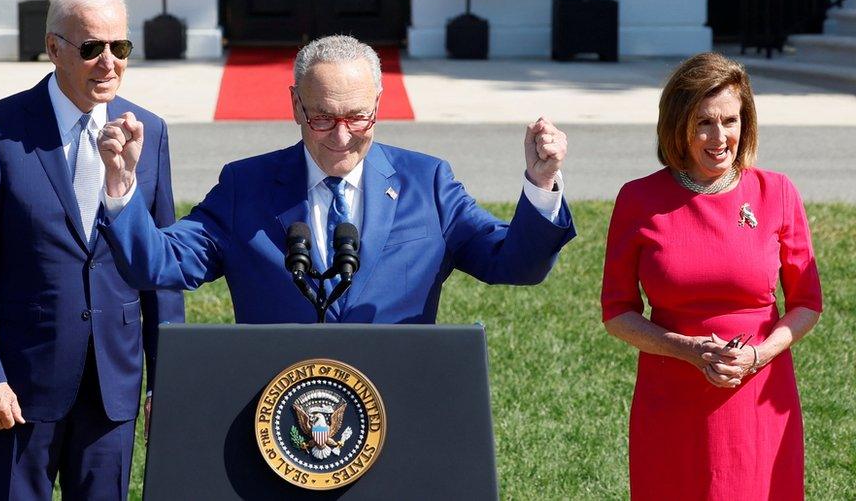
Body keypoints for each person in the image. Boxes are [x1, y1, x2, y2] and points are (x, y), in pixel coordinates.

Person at [97, 34, 576, 325]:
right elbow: (157, 265)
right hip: (277, 415)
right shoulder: (247, 186)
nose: (341, 137)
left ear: (379, 107)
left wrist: (540, 184)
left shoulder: (427, 182)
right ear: (294, 106)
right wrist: (121, 186)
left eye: (358, 118)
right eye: (322, 118)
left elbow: (516, 264)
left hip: (394, 404)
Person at [0, 0, 184, 499]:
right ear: (54, 49)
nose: (109, 63)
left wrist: (168, 380)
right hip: (19, 385)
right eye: (93, 48)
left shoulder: (151, 132)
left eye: (120, 48)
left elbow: (159, 272)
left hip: (113, 387)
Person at [601, 52, 822, 500]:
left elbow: (806, 304)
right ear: (678, 124)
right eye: (704, 122)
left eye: (731, 121)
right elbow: (617, 313)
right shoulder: (638, 199)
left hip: (757, 400)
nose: (720, 137)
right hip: (671, 399)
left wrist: (758, 355)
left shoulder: (776, 192)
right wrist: (686, 349)